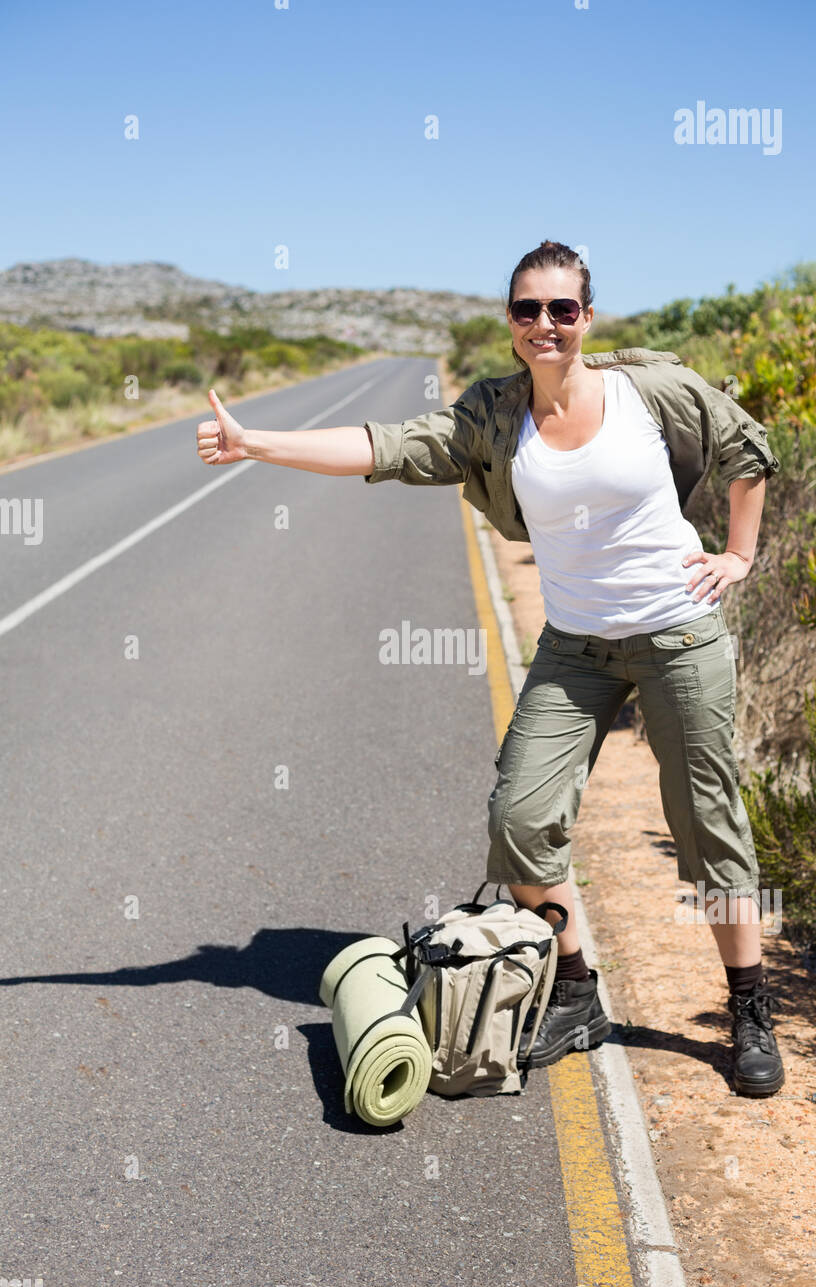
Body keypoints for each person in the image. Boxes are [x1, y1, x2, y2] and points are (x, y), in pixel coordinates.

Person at [196, 239, 785, 1099]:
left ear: (588, 317)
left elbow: (748, 450)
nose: (544, 325)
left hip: (678, 636)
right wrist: (257, 446)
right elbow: (386, 446)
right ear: (509, 321)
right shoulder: (493, 416)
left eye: (562, 309)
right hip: (575, 647)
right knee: (519, 818)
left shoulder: (649, 392)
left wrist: (738, 557)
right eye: (527, 309)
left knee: (706, 823)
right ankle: (576, 990)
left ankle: (749, 1005)